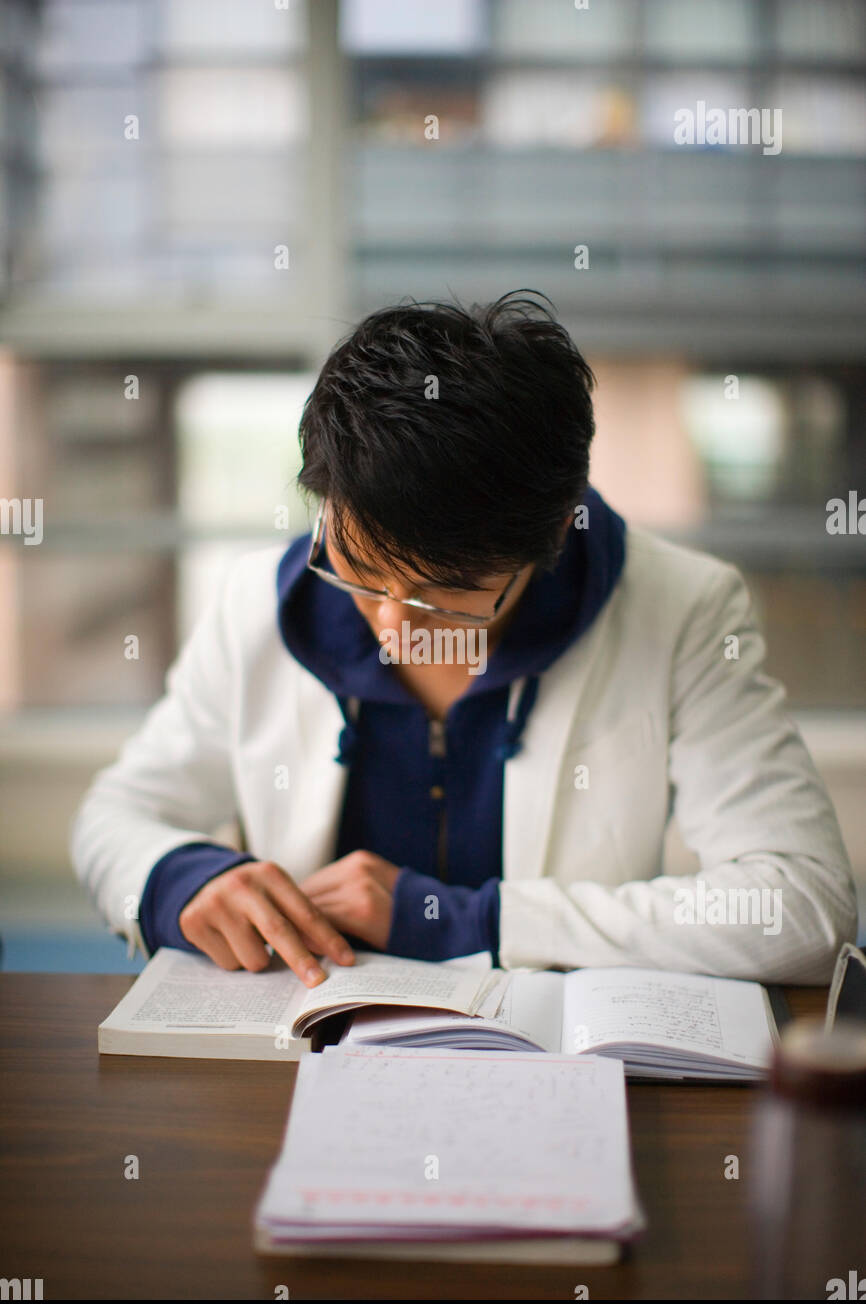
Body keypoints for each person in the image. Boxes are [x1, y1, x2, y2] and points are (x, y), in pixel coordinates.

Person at [70, 292, 857, 987]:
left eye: (445, 594)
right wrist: (178, 878)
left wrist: (469, 921)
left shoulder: (680, 609)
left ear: (550, 534)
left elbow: (803, 906)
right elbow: (117, 814)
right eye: (360, 569)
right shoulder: (261, 604)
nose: (390, 624)